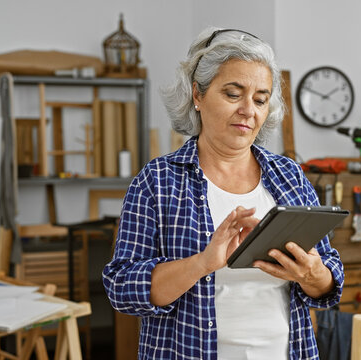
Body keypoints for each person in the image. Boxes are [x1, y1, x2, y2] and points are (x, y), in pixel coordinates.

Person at [103, 27, 344, 360]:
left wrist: (311, 273)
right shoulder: (157, 181)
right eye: (233, 94)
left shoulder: (290, 176)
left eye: (260, 99)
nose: (249, 109)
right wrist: (202, 263)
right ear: (197, 96)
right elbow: (122, 288)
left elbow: (329, 279)